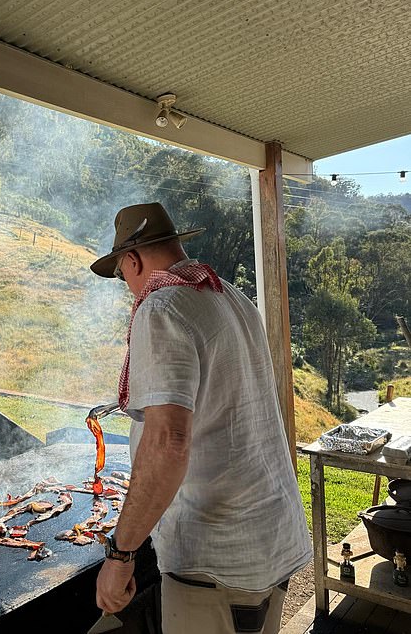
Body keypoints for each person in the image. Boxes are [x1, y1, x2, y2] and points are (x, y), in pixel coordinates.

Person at [90, 202, 312, 634]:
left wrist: (121, 555)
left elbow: (168, 443)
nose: (127, 287)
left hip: (216, 556)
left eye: (121, 275)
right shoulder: (230, 296)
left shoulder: (161, 308)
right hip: (272, 535)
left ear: (132, 260)